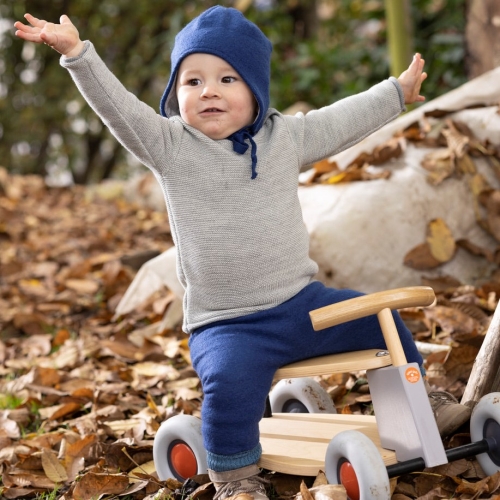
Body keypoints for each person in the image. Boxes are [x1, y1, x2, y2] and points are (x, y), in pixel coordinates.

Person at [15, 7, 471, 500]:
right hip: (226, 323)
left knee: (380, 319)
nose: (208, 90)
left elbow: (340, 120)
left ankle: (420, 403)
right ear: (176, 94)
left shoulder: (284, 137)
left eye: (227, 78)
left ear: (256, 89)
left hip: (302, 305)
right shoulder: (171, 147)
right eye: (192, 81)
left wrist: (394, 95)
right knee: (229, 388)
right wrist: (79, 55)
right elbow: (120, 110)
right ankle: (235, 477)